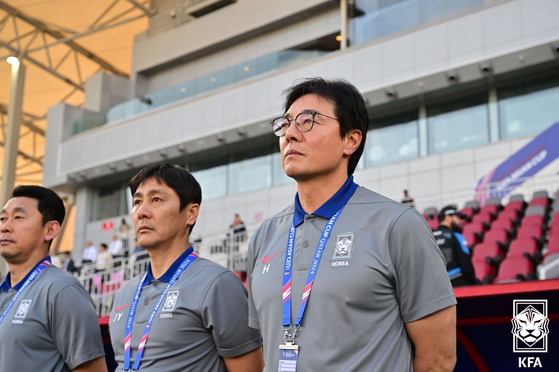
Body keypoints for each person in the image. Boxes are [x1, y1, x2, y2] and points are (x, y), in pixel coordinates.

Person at [247, 78, 457, 372]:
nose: (290, 134)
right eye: (285, 124)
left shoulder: (397, 225)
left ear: (351, 140)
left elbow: (438, 360)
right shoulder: (264, 236)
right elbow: (261, 347)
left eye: (307, 121)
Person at [109, 163, 263, 371]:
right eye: (137, 201)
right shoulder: (124, 294)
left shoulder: (217, 284)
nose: (141, 212)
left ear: (191, 213)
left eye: (156, 200)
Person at [0, 185, 107, 372]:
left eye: (18, 217)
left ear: (50, 230)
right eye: (2, 218)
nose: (5, 227)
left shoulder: (62, 291)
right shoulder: (4, 291)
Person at [434, 205, 478, 287]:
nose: (460, 221)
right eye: (457, 217)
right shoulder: (455, 236)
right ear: (448, 217)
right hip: (457, 281)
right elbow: (466, 265)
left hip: (437, 286)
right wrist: (474, 283)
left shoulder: (431, 237)